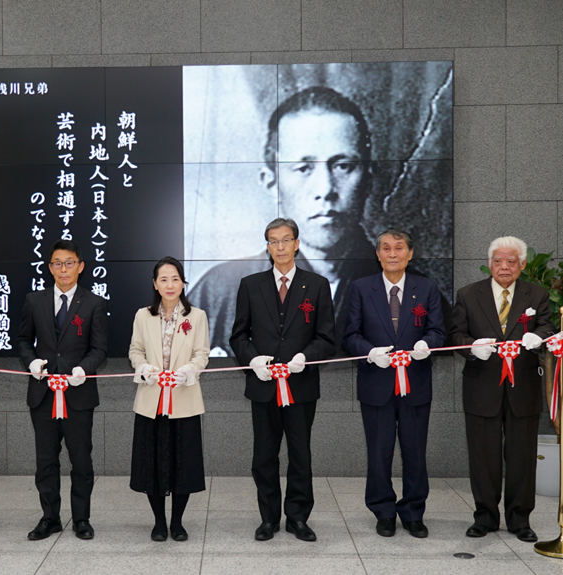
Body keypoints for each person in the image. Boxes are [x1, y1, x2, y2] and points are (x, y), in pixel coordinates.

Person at [190, 86, 380, 356]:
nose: (325, 189)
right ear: (271, 180)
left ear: (368, 178)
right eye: (303, 168)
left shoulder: (401, 285)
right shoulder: (219, 289)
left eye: (343, 166)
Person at [229, 217, 336, 542]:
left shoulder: (317, 285)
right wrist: (252, 360)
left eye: (285, 240)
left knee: (300, 454)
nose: (280, 246)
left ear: (297, 244)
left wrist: (306, 357)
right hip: (263, 386)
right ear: (267, 246)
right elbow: (238, 336)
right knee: (264, 456)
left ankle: (298, 518)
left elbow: (327, 337)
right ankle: (268, 519)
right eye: (273, 241)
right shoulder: (251, 284)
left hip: (301, 387)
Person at [449, 236, 554, 542]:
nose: (504, 267)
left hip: (523, 388)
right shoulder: (468, 294)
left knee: (522, 457)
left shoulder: (537, 293)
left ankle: (520, 519)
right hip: (482, 387)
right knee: (483, 458)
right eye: (498, 261)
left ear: (522, 264)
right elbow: (456, 333)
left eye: (511, 261)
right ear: (489, 263)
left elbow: (546, 326)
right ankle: (484, 517)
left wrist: (541, 337)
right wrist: (471, 348)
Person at [342, 229, 445, 538]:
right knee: (378, 453)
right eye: (385, 248)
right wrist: (370, 353)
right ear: (378, 254)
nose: (392, 253)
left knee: (415, 452)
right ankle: (383, 511)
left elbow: (439, 331)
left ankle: (413, 512)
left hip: (415, 384)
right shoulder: (361, 288)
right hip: (377, 384)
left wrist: (427, 344)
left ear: (409, 254)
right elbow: (349, 335)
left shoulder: (426, 288)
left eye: (398, 248)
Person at [17, 239, 108, 541]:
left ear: (80, 267)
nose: (63, 269)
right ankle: (50, 517)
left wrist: (84, 368)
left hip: (78, 395)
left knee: (81, 460)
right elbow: (22, 340)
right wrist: (31, 363)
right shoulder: (34, 300)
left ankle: (81, 518)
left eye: (69, 263)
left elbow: (99, 348)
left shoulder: (94, 303)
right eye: (57, 263)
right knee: (46, 460)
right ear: (49, 267)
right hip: (43, 394)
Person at [128, 257, 210, 542]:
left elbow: (202, 354)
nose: (170, 284)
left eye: (175, 278)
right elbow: (135, 351)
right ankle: (159, 522)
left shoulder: (196, 316)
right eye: (163, 279)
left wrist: (189, 370)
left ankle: (177, 522)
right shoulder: (143, 315)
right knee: (152, 462)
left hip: (183, 399)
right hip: (151, 400)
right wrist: (143, 368)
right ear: (155, 284)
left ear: (183, 282)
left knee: (183, 463)